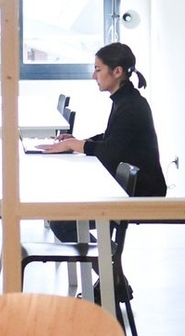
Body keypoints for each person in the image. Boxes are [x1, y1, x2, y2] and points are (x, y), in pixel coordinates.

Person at [40, 43, 168, 246]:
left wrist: (75, 145)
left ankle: (111, 273)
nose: (94, 76)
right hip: (127, 184)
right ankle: (110, 271)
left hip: (141, 190)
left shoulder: (131, 106)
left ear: (117, 72)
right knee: (62, 216)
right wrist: (80, 141)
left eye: (98, 69)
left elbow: (110, 151)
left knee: (62, 222)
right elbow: (112, 138)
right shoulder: (125, 100)